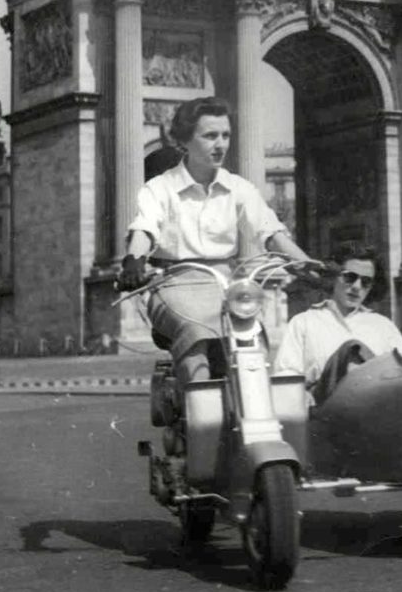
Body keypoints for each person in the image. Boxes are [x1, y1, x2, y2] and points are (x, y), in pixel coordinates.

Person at [119, 97, 313, 388]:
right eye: (210, 136)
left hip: (227, 285)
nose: (220, 144)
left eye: (226, 135)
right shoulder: (159, 188)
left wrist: (305, 263)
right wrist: (134, 260)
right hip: (175, 285)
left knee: (253, 344)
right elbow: (145, 228)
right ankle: (201, 428)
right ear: (184, 140)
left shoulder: (239, 188)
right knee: (196, 340)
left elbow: (271, 231)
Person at [274, 245, 402, 406]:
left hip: (375, 409)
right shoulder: (304, 322)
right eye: (350, 277)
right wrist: (300, 394)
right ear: (333, 277)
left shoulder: (382, 325)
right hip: (326, 410)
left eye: (366, 282)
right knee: (351, 348)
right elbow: (285, 374)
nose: (357, 287)